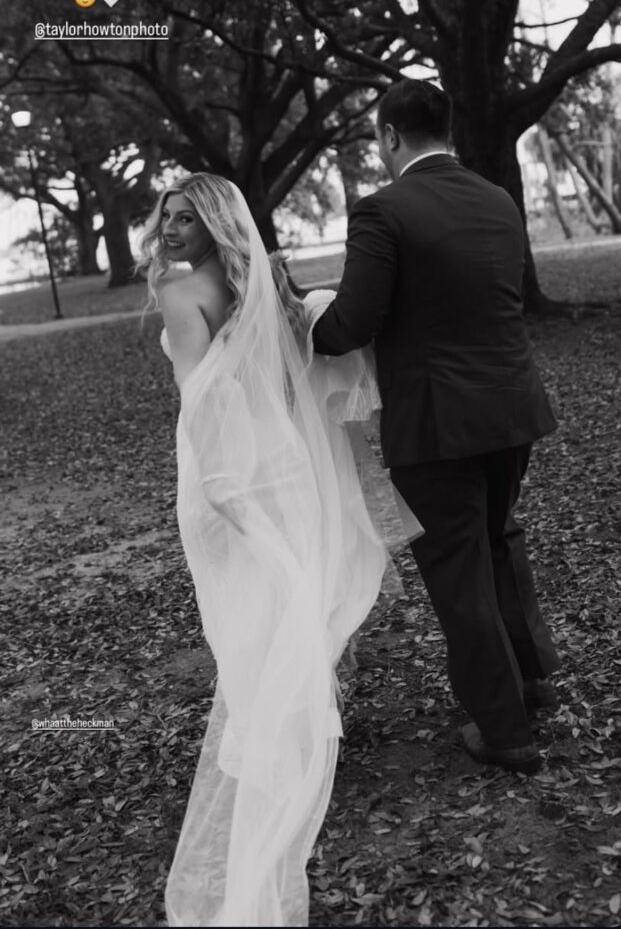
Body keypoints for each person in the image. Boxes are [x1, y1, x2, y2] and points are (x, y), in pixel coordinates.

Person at [138, 172, 417, 927]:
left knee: (243, 612)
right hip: (282, 460)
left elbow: (201, 398)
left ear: (216, 223)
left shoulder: (178, 289)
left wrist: (220, 490)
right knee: (278, 602)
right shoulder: (255, 282)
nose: (170, 230)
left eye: (187, 218)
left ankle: (265, 741)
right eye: (166, 216)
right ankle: (285, 726)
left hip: (225, 467)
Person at [312, 78, 560, 775]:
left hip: (436, 421)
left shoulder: (381, 211)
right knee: (497, 539)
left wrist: (301, 313)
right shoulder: (497, 199)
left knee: (459, 570)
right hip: (511, 408)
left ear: (389, 136)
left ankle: (504, 729)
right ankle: (533, 678)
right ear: (443, 129)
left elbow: (350, 325)